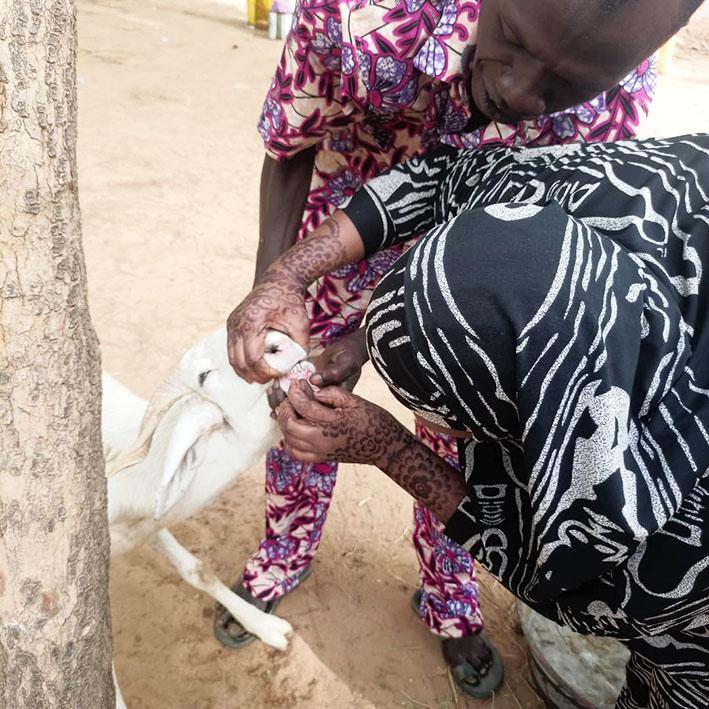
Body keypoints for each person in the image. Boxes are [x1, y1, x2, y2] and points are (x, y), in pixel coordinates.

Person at [219, 0, 698, 694]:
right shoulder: (357, 18)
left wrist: (383, 422)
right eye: (512, 42)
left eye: (559, 91)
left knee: (461, 441)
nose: (515, 94)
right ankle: (283, 550)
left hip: (492, 277)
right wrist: (278, 279)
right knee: (298, 403)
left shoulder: (617, 104)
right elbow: (299, 145)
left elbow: (561, 574)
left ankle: (449, 595)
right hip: (349, 222)